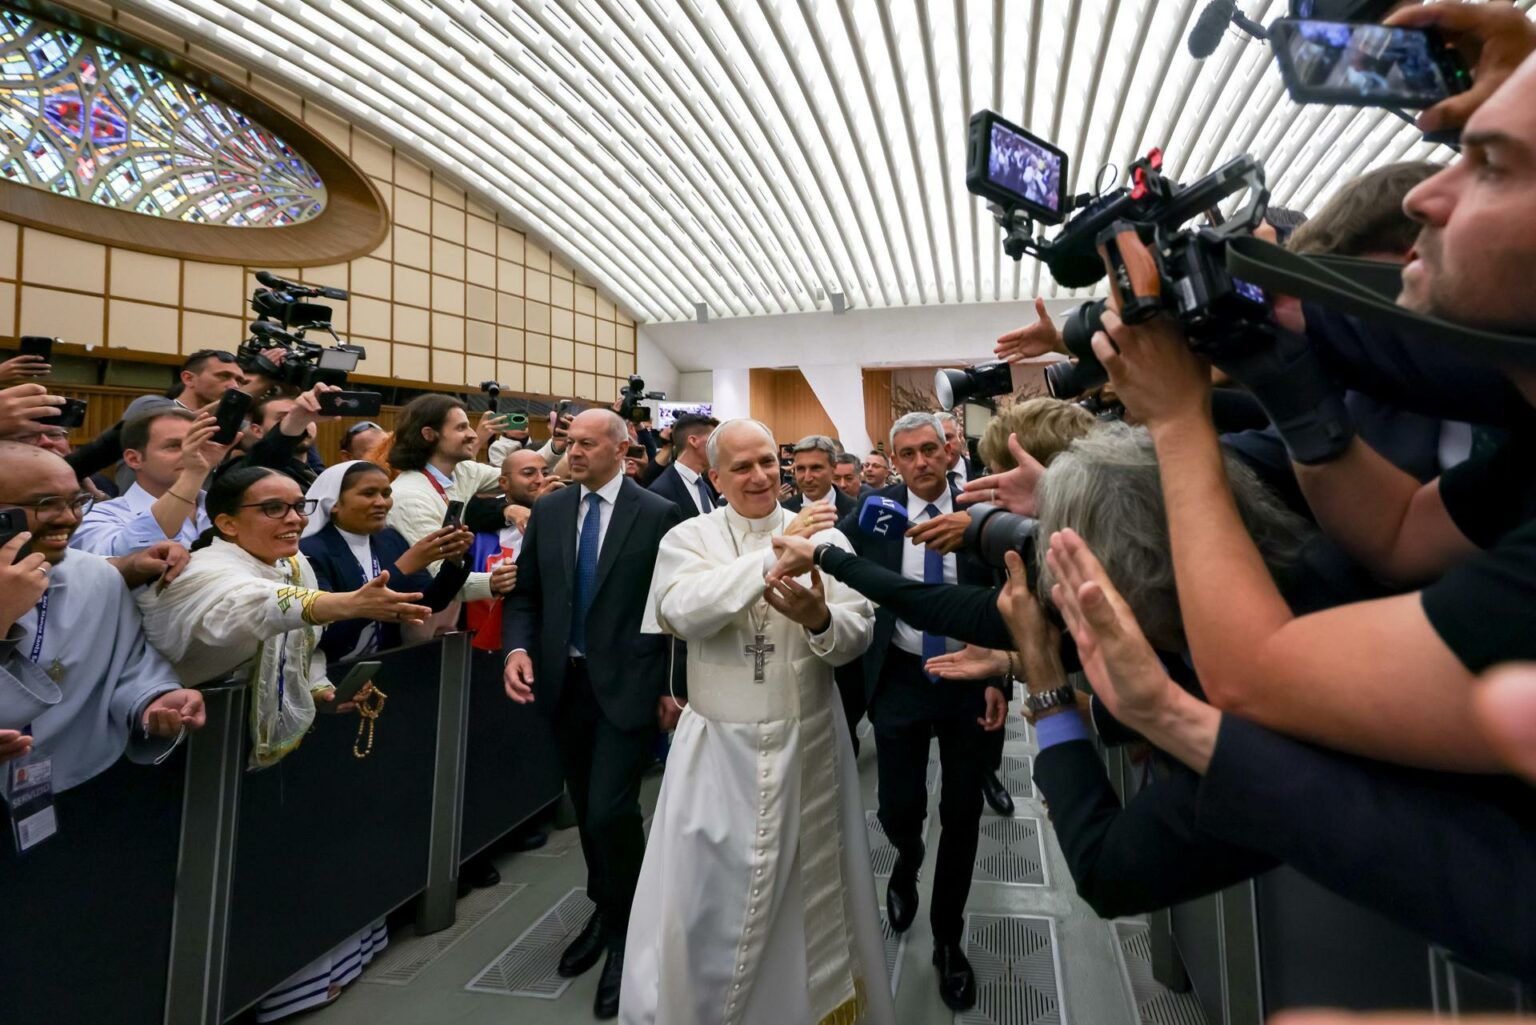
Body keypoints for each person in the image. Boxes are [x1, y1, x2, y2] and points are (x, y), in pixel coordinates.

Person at [621, 418, 894, 1025]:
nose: (760, 476)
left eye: (769, 462)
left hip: (809, 744)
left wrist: (821, 619)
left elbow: (858, 633)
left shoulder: (827, 537)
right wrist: (776, 555)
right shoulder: (688, 537)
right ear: (716, 477)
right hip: (716, 752)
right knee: (705, 902)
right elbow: (682, 611)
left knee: (806, 898)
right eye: (741, 467)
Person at [502, 408, 683, 1020]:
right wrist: (518, 649)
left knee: (611, 809)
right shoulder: (552, 510)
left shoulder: (656, 513)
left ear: (621, 449)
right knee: (586, 808)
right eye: (569, 442)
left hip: (630, 686)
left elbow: (673, 607)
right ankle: (606, 908)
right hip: (564, 684)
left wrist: (673, 686)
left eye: (586, 443)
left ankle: (629, 930)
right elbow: (527, 594)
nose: (573, 452)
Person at [834, 411, 1007, 1012]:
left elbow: (1008, 590)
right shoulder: (874, 510)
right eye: (906, 454)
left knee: (962, 813)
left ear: (947, 449)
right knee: (897, 806)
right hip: (902, 675)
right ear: (893, 460)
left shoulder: (980, 508)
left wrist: (999, 672)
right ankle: (906, 859)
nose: (920, 462)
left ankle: (948, 939)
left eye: (929, 449)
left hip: (970, 675)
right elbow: (840, 565)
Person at [136, 466, 432, 766]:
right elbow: (254, 606)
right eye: (274, 508)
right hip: (164, 729)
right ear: (227, 523)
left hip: (236, 730)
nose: (295, 519)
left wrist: (317, 687)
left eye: (299, 506)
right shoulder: (203, 569)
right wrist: (349, 603)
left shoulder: (292, 562)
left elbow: (299, 642)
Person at [0, 443, 205, 796]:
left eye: (76, 502)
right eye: (46, 504)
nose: (69, 518)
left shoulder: (97, 577)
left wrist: (154, 699)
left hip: (65, 783)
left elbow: (130, 664)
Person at [300, 461, 478, 665]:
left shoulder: (390, 540)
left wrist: (454, 561)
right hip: (328, 670)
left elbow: (428, 603)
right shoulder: (310, 552)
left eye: (386, 494)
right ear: (334, 503)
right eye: (368, 494)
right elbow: (326, 633)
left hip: (385, 665)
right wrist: (402, 568)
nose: (381, 503)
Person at [386, 394, 507, 601]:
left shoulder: (462, 470)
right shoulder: (410, 497)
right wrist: (496, 581)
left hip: (446, 606)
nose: (473, 435)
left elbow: (518, 476)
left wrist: (556, 449)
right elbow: (437, 575)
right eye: (461, 428)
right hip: (417, 609)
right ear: (429, 434)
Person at [70, 408, 232, 556]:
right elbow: (125, 558)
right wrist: (193, 474)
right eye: (175, 446)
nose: (191, 453)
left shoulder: (229, 509)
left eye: (197, 444)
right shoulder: (96, 516)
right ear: (134, 459)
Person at [646, 412, 720, 519]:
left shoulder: (704, 486)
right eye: (714, 440)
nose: (719, 447)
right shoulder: (660, 492)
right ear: (693, 441)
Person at [781, 434, 855, 518]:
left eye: (815, 468)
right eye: (801, 469)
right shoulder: (783, 512)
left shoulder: (856, 510)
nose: (807, 478)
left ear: (833, 467)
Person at [934, 411, 970, 486]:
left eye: (947, 437)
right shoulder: (921, 482)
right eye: (937, 439)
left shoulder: (982, 472)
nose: (944, 445)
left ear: (960, 436)